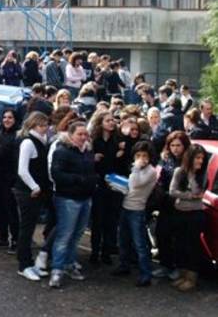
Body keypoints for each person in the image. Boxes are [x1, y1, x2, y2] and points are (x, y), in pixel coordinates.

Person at [49, 121, 97, 288]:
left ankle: (69, 264)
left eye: (85, 134)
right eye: (80, 134)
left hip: (85, 198)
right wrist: (79, 180)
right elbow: (56, 174)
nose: (83, 138)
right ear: (71, 135)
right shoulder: (62, 151)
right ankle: (57, 270)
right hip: (68, 198)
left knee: (76, 234)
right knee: (64, 235)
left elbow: (91, 171)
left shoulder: (88, 151)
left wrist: (92, 182)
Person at [111, 141, 157, 287]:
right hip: (126, 207)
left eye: (144, 156)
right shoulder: (135, 168)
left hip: (137, 210)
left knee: (140, 243)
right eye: (138, 155)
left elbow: (136, 183)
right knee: (123, 239)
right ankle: (124, 265)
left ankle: (146, 274)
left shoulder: (150, 171)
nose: (141, 159)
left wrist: (136, 167)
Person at [14, 112, 51, 281]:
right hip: (28, 192)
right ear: (33, 125)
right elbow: (22, 170)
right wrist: (34, 187)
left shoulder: (40, 142)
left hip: (35, 191)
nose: (45, 128)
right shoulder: (29, 142)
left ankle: (28, 262)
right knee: (26, 229)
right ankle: (24, 265)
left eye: (45, 125)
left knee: (29, 228)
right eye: (41, 125)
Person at [168, 144, 207, 292]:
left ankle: (192, 278)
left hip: (195, 215)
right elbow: (172, 191)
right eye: (197, 158)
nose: (200, 161)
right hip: (180, 213)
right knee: (181, 245)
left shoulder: (201, 174)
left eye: (202, 158)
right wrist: (190, 196)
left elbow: (201, 193)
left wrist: (192, 195)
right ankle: (183, 274)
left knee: (193, 247)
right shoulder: (180, 172)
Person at [152, 131, 191, 280]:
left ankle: (178, 267)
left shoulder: (188, 161)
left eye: (178, 145)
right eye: (172, 145)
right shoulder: (166, 159)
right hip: (165, 203)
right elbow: (159, 177)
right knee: (162, 234)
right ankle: (165, 265)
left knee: (180, 239)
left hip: (181, 204)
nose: (175, 148)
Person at [89, 111, 123, 265]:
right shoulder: (94, 141)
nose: (111, 123)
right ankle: (95, 252)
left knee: (111, 220)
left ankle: (106, 252)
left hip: (113, 185)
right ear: (100, 122)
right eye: (108, 120)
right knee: (97, 220)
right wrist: (92, 158)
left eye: (113, 120)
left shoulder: (117, 141)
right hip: (98, 185)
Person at [0, 108, 19, 253]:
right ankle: (2, 236)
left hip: (10, 179)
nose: (7, 120)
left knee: (11, 210)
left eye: (10, 118)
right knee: (0, 209)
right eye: (5, 117)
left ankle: (15, 239)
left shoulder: (17, 136)